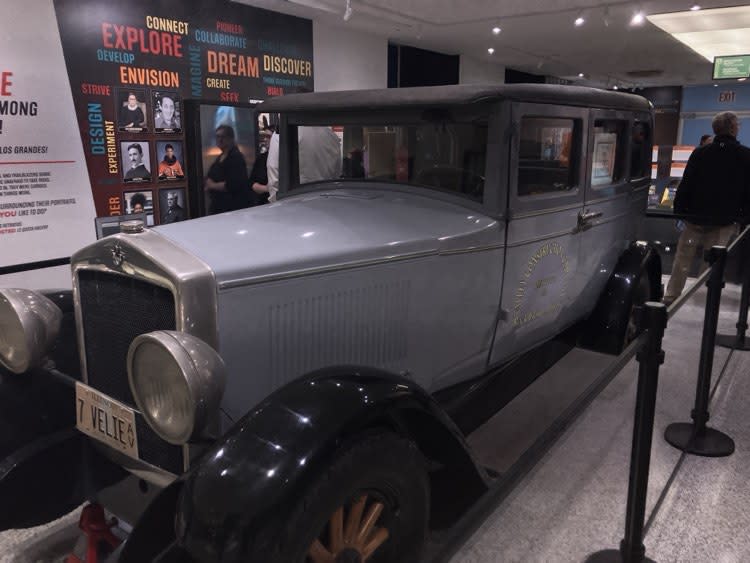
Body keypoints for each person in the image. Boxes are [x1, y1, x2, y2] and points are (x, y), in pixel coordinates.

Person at [663, 111, 750, 305]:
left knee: (682, 259)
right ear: (733, 128)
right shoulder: (745, 155)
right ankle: (701, 297)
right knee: (713, 262)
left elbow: (687, 183)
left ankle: (671, 295)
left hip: (695, 217)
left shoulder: (700, 153)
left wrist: (680, 211)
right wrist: (744, 217)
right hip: (725, 220)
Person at [265, 126, 341, 202]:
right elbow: (336, 175)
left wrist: (276, 204)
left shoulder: (283, 133)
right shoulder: (332, 136)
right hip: (325, 201)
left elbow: (273, 172)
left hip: (294, 203)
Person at [204, 125, 251, 214]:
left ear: (230, 138)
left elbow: (233, 184)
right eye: (217, 137)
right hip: (219, 207)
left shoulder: (236, 158)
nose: (219, 140)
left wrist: (212, 185)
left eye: (223, 137)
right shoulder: (220, 157)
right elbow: (209, 176)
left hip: (232, 208)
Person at [250, 130, 271, 204]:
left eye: (268, 137)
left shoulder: (284, 157)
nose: (265, 139)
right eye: (265, 137)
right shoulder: (261, 158)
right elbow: (252, 182)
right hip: (263, 201)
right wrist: (266, 188)